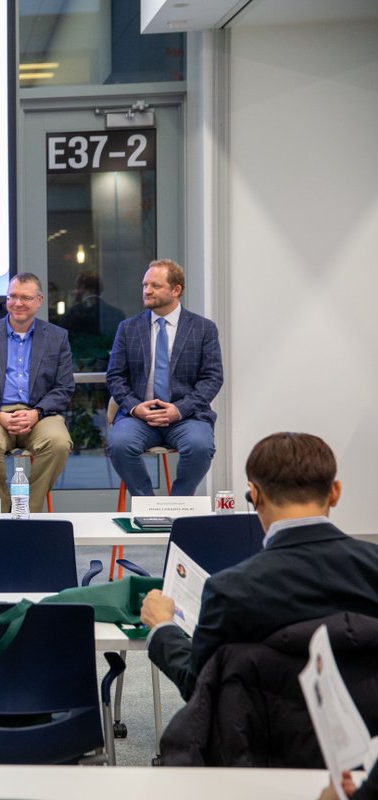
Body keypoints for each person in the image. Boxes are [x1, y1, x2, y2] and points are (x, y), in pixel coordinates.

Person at [140, 432, 378, 702]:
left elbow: (201, 689)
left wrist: (162, 627)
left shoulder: (230, 590)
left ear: (255, 495)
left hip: (267, 740)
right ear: (335, 492)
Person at [105, 259, 222, 497]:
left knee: (200, 446)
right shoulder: (128, 328)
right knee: (119, 445)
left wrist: (179, 409)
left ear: (176, 290)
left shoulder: (203, 329)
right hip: (138, 418)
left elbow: (212, 378)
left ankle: (178, 505)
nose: (147, 290)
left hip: (186, 416)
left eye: (155, 286)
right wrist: (136, 408)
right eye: (145, 285)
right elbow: (115, 376)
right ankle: (148, 504)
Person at [0, 273, 74, 513]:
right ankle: (3, 510)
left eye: (26, 297)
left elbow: (64, 387)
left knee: (59, 443)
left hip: (39, 414)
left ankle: (26, 510)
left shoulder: (57, 336)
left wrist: (36, 413)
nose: (18, 303)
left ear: (39, 300)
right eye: (12, 296)